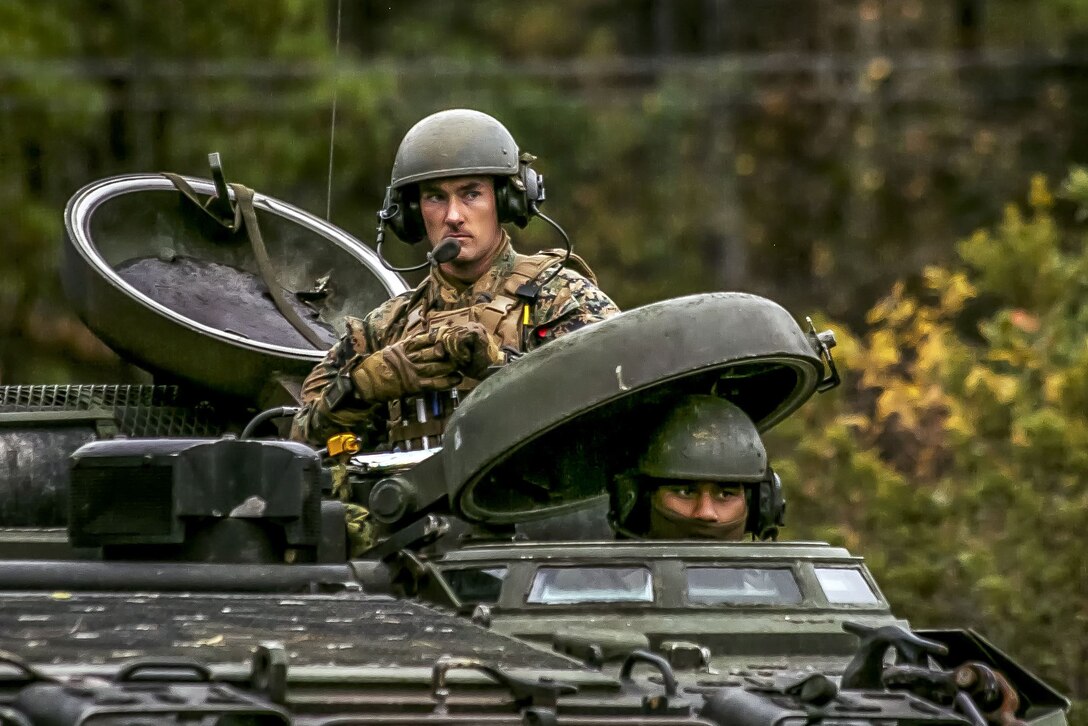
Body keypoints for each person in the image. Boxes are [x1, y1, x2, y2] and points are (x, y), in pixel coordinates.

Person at [291, 109, 619, 450]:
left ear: (506, 201)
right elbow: (301, 441)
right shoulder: (385, 328)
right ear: (412, 214)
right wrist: (364, 385)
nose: (453, 216)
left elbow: (616, 402)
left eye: (471, 194)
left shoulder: (562, 299)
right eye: (435, 197)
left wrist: (501, 369)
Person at [611, 395, 784, 541]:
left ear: (757, 508)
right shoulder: (597, 581)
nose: (706, 513)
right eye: (685, 492)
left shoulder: (787, 580)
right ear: (641, 501)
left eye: (725, 494)